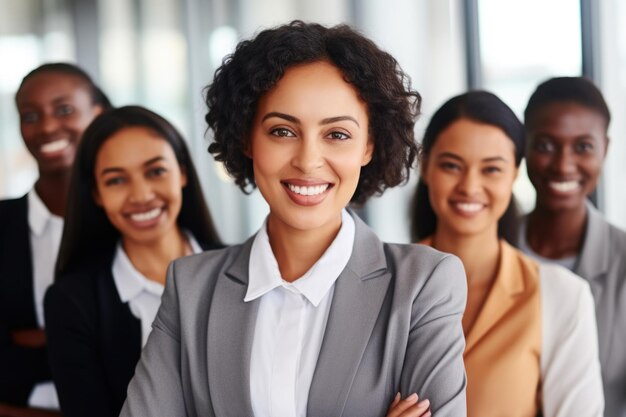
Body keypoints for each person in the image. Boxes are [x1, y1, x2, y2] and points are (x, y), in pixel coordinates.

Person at [120, 21, 467, 417]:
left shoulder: (424, 284)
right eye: (283, 131)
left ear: (368, 145)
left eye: (337, 134)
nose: (307, 160)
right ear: (247, 137)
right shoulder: (191, 288)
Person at [410, 90, 604, 417]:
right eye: (451, 166)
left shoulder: (561, 295)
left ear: (515, 174)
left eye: (491, 169)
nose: (470, 186)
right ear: (425, 167)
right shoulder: (381, 282)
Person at [43, 106, 222, 417]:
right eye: (115, 181)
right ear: (96, 194)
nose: (140, 195)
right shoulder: (71, 302)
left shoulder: (245, 270)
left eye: (155, 171)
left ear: (181, 173)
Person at [0, 63, 111, 416]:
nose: (46, 127)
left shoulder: (132, 222)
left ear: (98, 115)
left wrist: (33, 342)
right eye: (30, 115)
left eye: (64, 110)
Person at [519, 76, 626, 417]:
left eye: (583, 147)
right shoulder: (490, 252)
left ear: (605, 149)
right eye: (546, 145)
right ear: (524, 145)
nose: (564, 165)